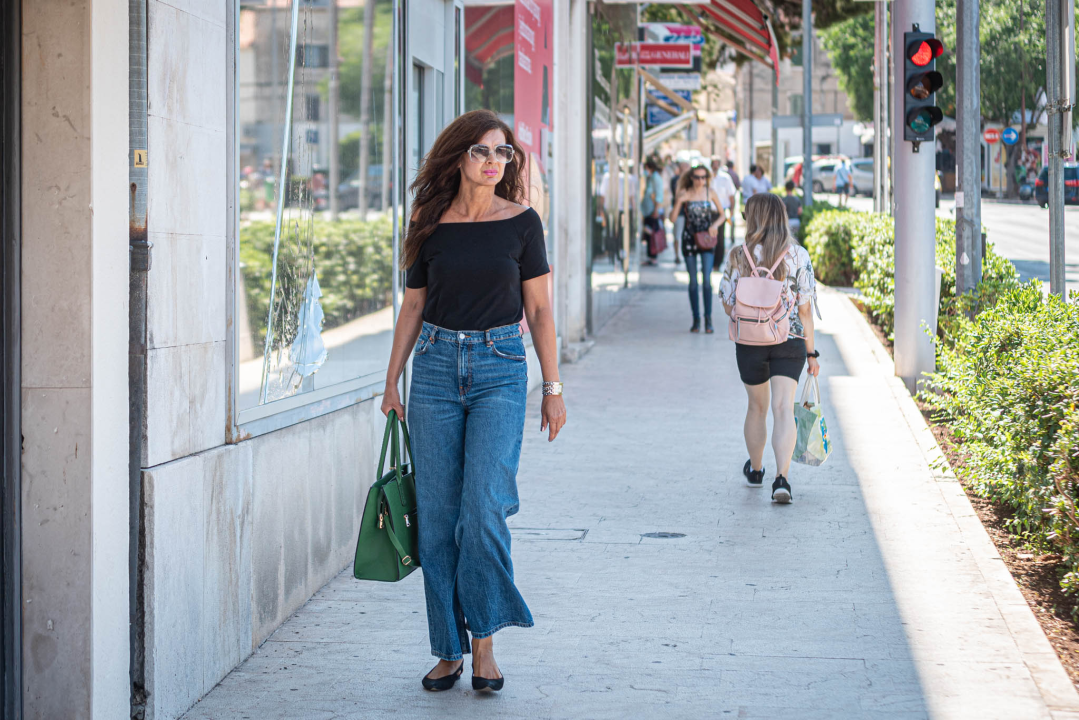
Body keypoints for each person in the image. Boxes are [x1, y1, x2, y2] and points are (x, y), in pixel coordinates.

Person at [381, 109, 567, 694]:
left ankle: (484, 640)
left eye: (503, 153)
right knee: (437, 520)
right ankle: (447, 650)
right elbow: (413, 305)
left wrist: (553, 387)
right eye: (483, 151)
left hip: (500, 370)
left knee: (483, 510)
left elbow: (539, 311)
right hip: (433, 371)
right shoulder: (428, 223)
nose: (494, 162)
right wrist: (391, 382)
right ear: (459, 157)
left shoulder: (523, 224)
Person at [720, 193, 819, 504]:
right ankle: (782, 479)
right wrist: (812, 352)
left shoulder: (738, 255)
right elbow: (805, 310)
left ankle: (757, 470)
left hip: (750, 341)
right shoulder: (798, 255)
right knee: (782, 408)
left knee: (757, 408)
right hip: (790, 340)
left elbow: (727, 304)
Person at [670, 165, 725, 334]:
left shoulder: (711, 193)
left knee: (707, 281)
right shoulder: (684, 194)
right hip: (689, 239)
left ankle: (708, 319)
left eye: (703, 177)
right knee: (693, 281)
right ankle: (696, 319)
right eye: (697, 177)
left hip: (707, 240)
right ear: (691, 177)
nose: (701, 181)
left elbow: (723, 215)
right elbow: (672, 218)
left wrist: (715, 225)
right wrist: (680, 200)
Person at [711, 156, 737, 260]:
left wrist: (731, 211)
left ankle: (718, 261)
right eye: (714, 163)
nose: (715, 166)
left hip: (721, 212)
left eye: (717, 163)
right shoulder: (707, 177)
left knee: (720, 238)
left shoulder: (725, 178)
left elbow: (731, 195)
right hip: (709, 211)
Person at [641, 157, 666, 266]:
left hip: (652, 211)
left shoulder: (655, 178)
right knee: (648, 233)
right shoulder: (650, 178)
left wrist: (656, 210)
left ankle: (653, 256)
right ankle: (650, 256)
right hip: (648, 211)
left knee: (652, 233)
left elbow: (658, 195)